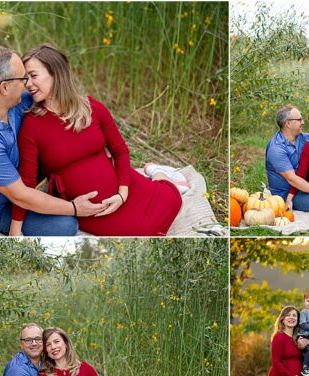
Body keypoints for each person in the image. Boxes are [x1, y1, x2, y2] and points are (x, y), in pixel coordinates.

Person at [12, 45, 182, 236]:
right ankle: (154, 173)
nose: (28, 84)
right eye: (26, 78)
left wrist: (122, 195)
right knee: (141, 231)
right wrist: (15, 229)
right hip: (91, 209)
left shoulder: (91, 107)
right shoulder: (32, 126)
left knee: (172, 200)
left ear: (56, 73)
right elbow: (25, 184)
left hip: (125, 190)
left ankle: (158, 172)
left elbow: (120, 151)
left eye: (33, 76)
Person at [0, 46, 104, 236]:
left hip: (21, 175)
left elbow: (54, 95)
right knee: (65, 225)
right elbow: (21, 197)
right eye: (23, 78)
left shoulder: (12, 101)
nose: (28, 84)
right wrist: (74, 207)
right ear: (4, 87)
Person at [264, 106, 309, 212]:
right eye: (299, 120)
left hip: (305, 184)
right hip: (286, 193)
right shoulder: (276, 149)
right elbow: (292, 179)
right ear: (288, 123)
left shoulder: (304, 138)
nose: (303, 122)